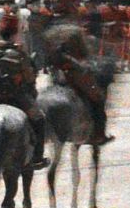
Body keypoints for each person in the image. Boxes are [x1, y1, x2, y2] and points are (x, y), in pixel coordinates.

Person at [0, 15, 51, 170]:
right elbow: (29, 78)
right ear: (14, 34)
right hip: (17, 96)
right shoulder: (19, 54)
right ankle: (37, 157)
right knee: (39, 119)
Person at [40, 15, 112, 144]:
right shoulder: (75, 31)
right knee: (98, 99)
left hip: (56, 75)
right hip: (74, 75)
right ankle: (98, 134)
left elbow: (45, 56)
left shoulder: (48, 33)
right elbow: (84, 53)